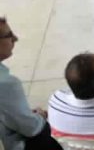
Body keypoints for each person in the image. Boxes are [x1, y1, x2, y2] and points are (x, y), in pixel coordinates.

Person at [0, 16, 62, 150]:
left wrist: (25, 114)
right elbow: (32, 128)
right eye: (8, 35)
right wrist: (38, 117)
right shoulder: (6, 84)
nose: (15, 38)